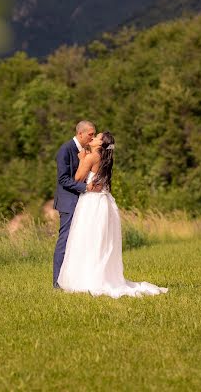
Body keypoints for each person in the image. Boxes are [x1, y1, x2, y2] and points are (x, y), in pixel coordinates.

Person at [57, 131, 168, 297]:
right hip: (105, 203)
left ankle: (87, 279)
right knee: (102, 241)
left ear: (100, 144)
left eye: (96, 137)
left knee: (87, 240)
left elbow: (78, 178)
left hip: (91, 203)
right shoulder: (106, 158)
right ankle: (102, 275)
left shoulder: (91, 157)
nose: (93, 139)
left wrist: (81, 160)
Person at [53, 120, 97, 288]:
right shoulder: (65, 150)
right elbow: (63, 179)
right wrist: (85, 187)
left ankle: (74, 280)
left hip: (82, 202)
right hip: (68, 202)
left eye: (94, 134)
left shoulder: (86, 151)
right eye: (90, 134)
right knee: (64, 242)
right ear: (80, 134)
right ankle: (57, 283)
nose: (92, 138)